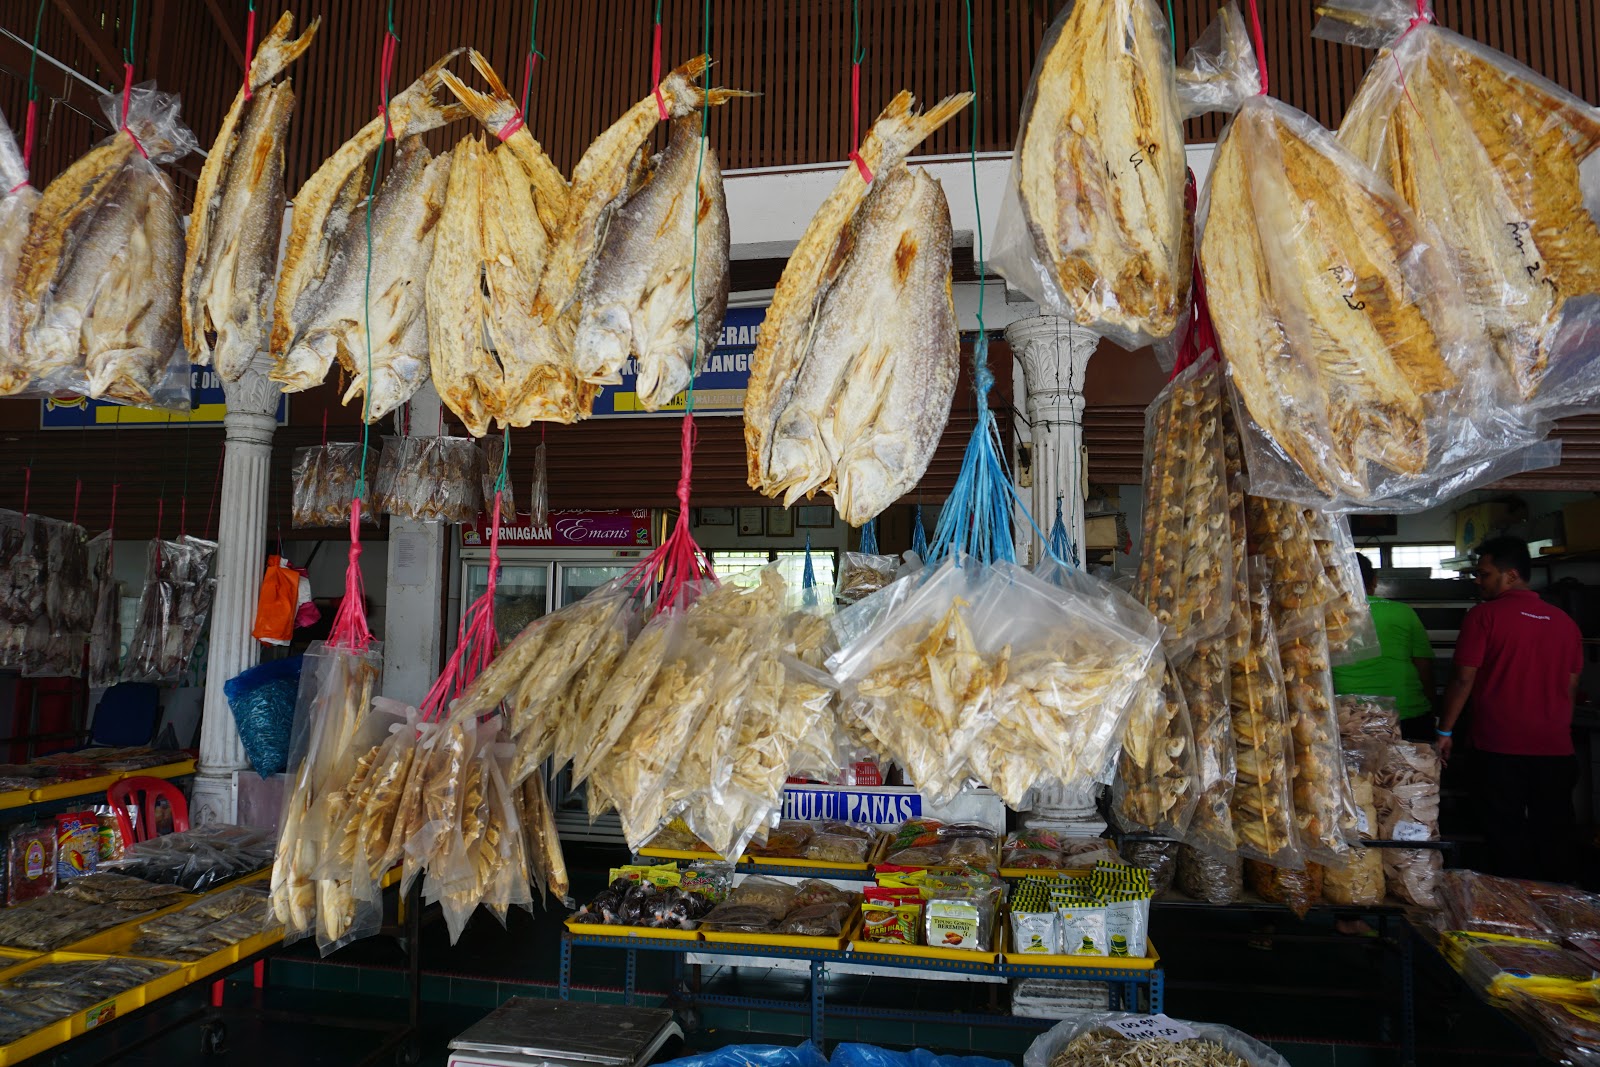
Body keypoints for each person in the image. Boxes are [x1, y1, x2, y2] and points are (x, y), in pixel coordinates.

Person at [1437, 536, 1584, 882]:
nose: (1478, 581)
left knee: (1505, 835)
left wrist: (1445, 731)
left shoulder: (1483, 616)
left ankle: (1515, 920)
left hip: (1499, 748)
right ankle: (1558, 915)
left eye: (1484, 574)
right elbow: (1571, 687)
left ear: (1511, 574)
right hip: (1556, 749)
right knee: (1555, 834)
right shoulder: (1565, 622)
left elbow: (1462, 679)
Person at [1332, 554, 1436, 741]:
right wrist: (1432, 706)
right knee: (1412, 769)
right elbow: (1424, 666)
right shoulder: (1403, 612)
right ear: (1374, 581)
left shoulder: (1325, 618)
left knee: (1360, 770)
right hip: (1408, 713)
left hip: (1349, 716)